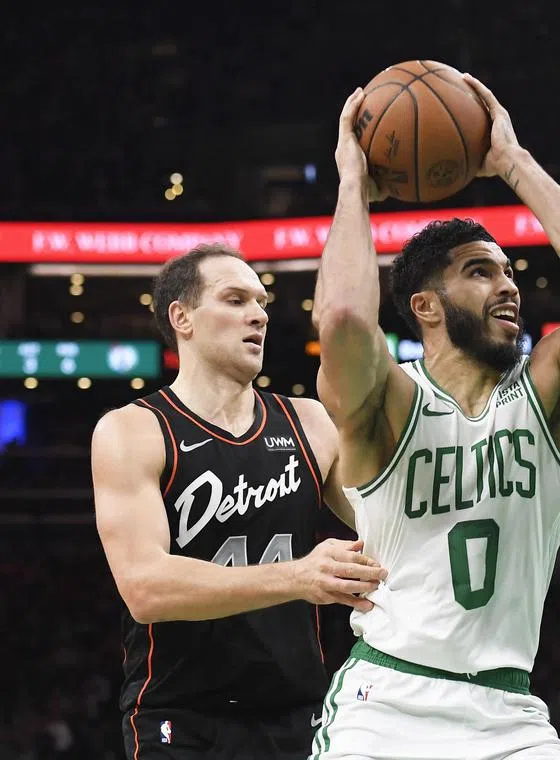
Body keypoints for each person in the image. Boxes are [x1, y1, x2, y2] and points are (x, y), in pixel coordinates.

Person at [309, 79, 560, 760]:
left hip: (509, 713)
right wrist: (353, 183)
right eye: (481, 273)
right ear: (427, 307)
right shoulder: (390, 402)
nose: (510, 285)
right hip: (386, 705)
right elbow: (343, 319)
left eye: (509, 270)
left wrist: (511, 160)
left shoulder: (551, 391)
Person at [92, 244, 387, 760]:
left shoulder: (309, 422)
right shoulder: (134, 429)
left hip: (300, 714)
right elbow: (145, 587)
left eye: (262, 302)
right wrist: (299, 576)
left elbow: (386, 523)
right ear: (181, 317)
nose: (258, 315)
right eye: (234, 299)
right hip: (180, 720)